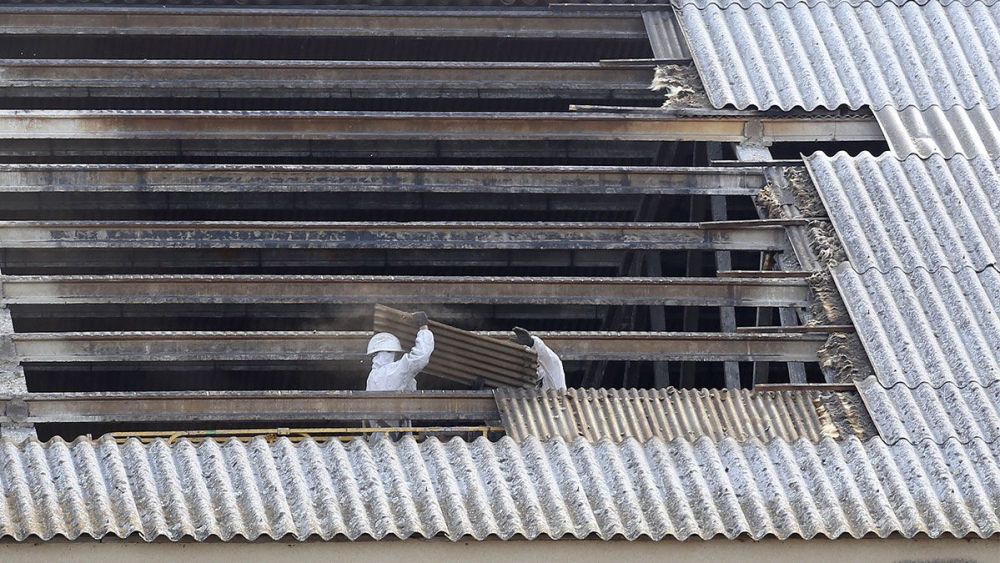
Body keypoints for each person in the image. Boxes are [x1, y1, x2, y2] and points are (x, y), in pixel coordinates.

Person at [365, 311, 434, 392]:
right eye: (394, 353)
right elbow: (420, 357)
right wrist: (423, 328)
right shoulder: (391, 371)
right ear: (388, 352)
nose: (396, 356)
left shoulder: (373, 376)